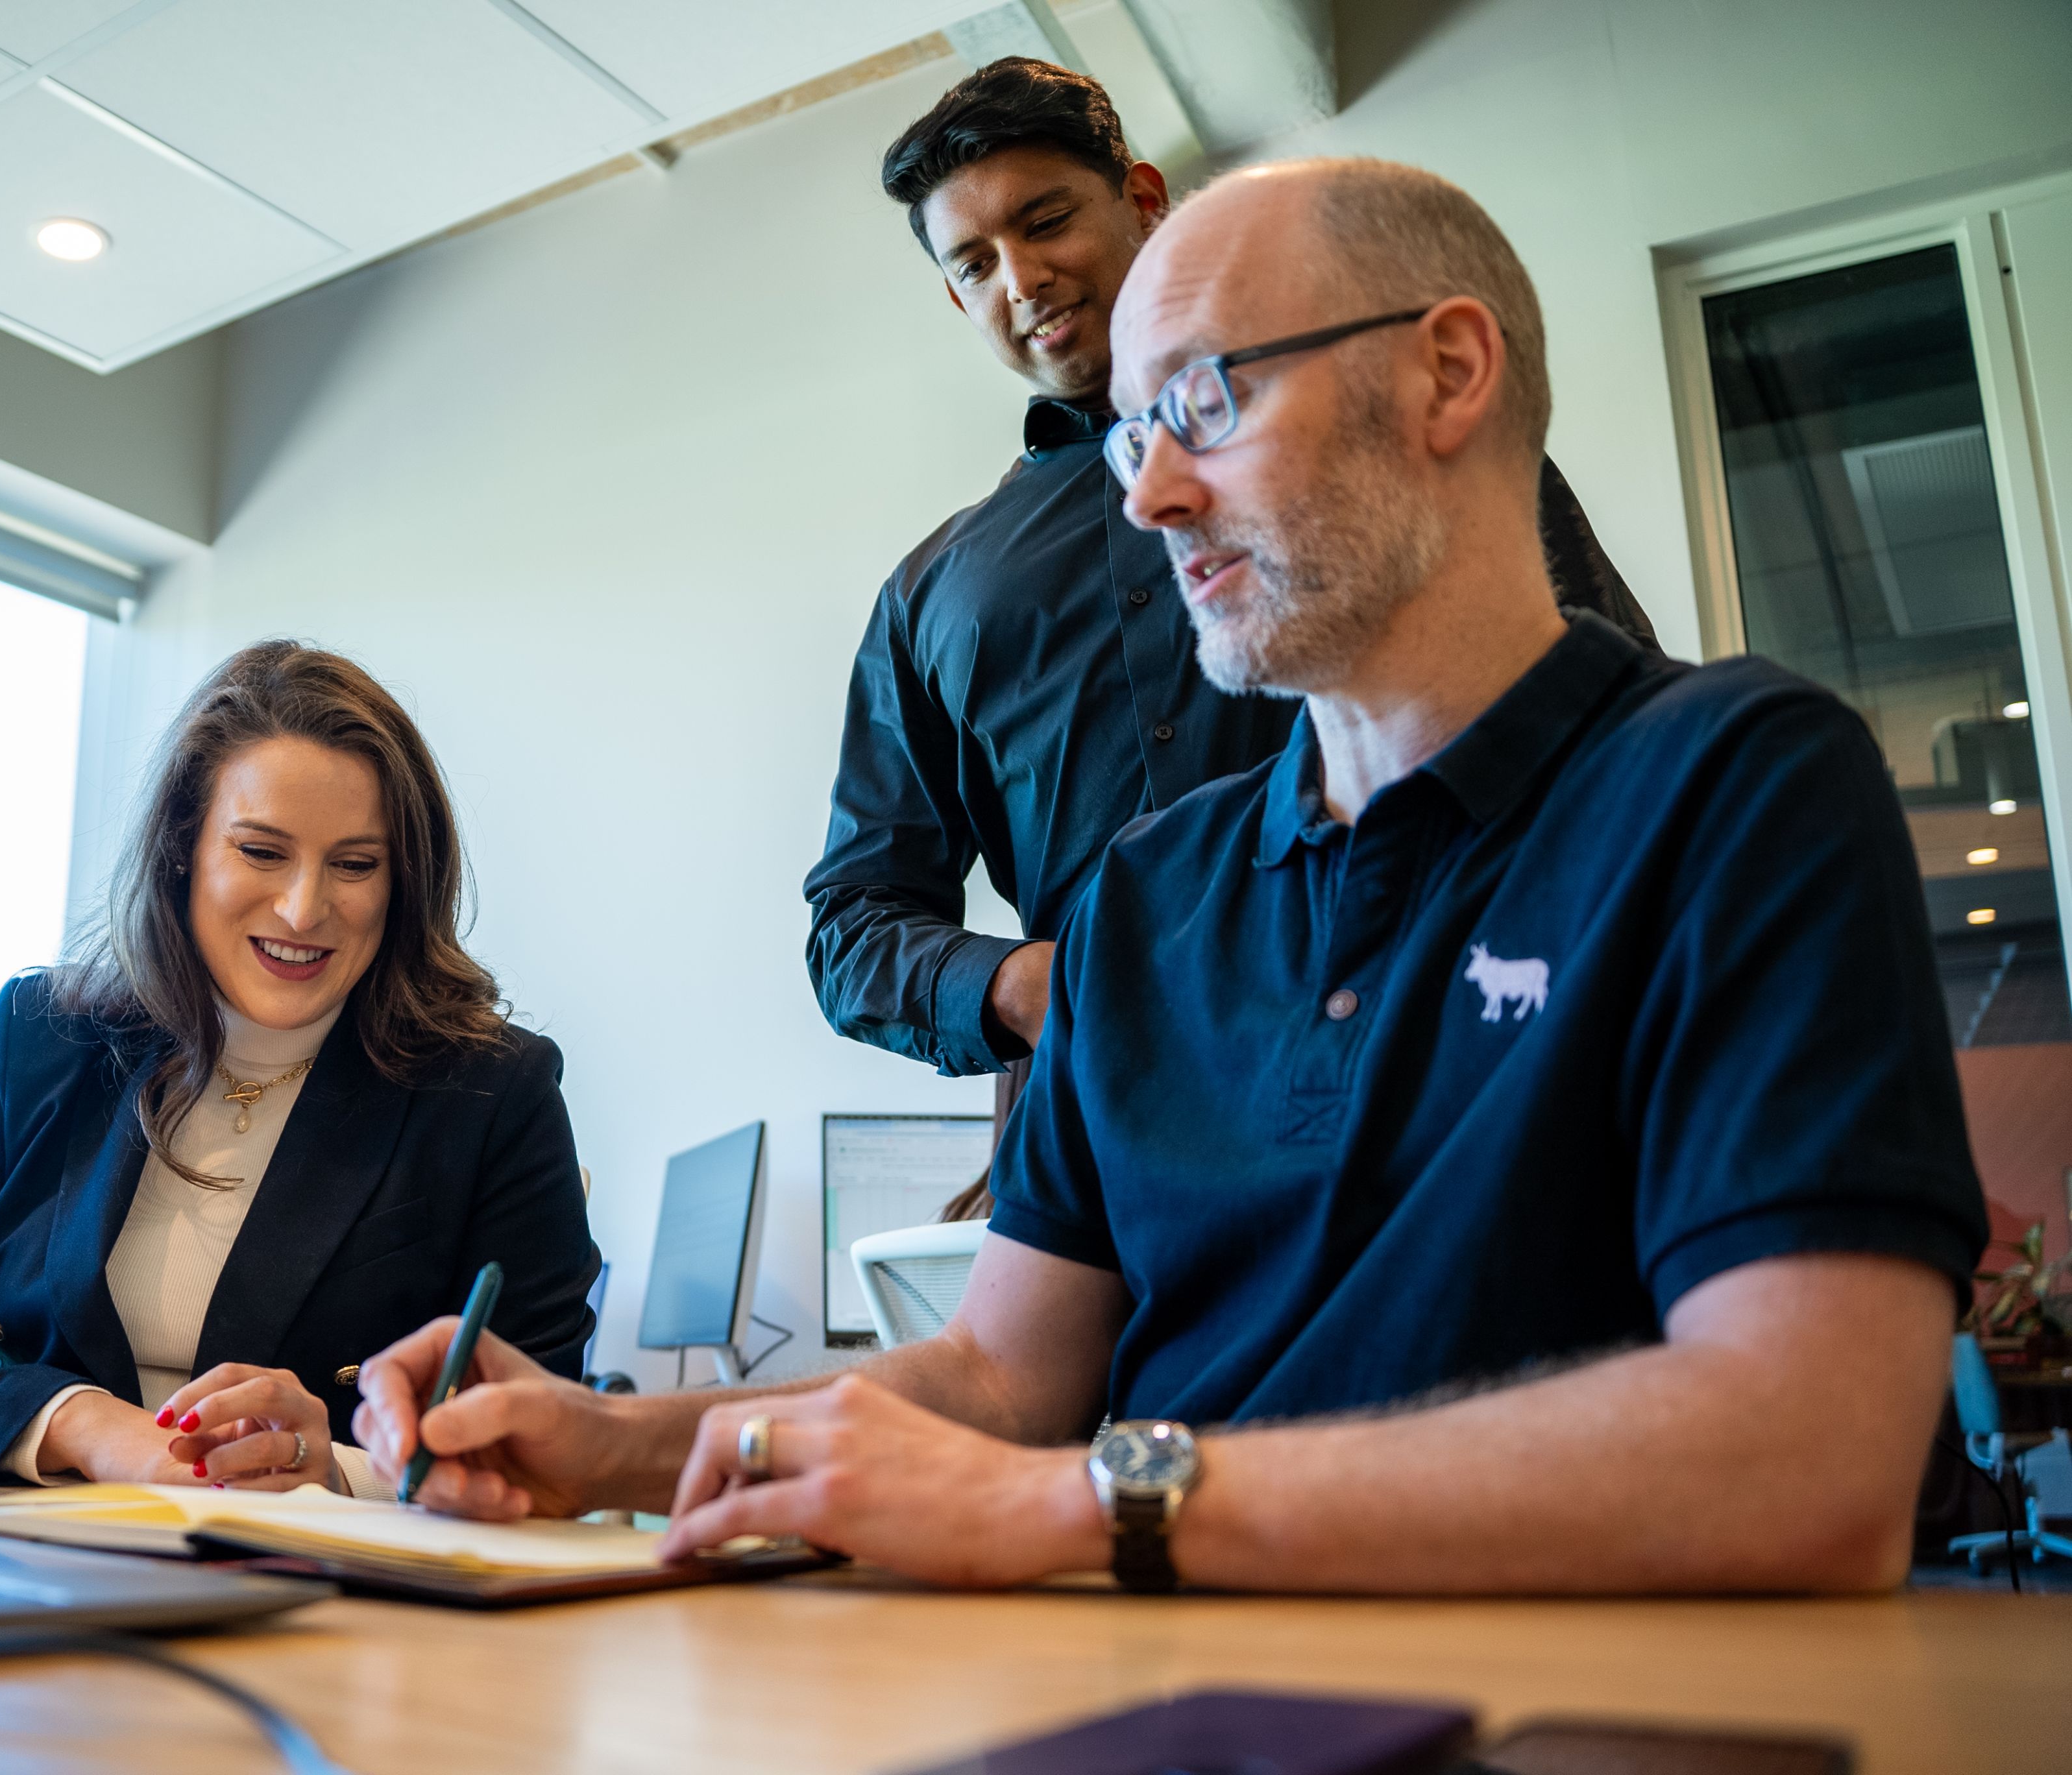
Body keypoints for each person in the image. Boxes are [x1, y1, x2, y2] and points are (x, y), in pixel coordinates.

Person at [353, 159, 1988, 1595]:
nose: (1145, 493)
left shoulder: (1732, 783)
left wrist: (1084, 1509)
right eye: (1134, 430)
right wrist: (609, 1443)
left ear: (1447, 372)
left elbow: (1805, 1463)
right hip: (1149, 1682)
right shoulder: (1141, 903)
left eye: (1205, 401)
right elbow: (1000, 1380)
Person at [805, 59, 1652, 1119]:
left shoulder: (1364, 427)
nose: (1020, 281)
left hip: (1436, 1072)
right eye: (975, 264)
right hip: (1103, 1137)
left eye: (1048, 219)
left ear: (1145, 200)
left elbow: (1605, 723)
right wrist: (1029, 989)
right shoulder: (929, 595)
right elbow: (854, 920)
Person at [0, 643, 600, 1494]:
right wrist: (85, 1423)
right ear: (185, 848)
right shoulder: (39, 1042)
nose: (303, 908)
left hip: (334, 1602)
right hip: (27, 1568)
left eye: (355, 865)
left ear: (402, 882)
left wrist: (334, 1470)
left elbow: (549, 1454)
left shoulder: (494, 1095)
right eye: (261, 851)